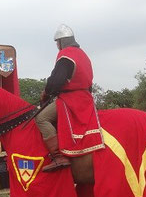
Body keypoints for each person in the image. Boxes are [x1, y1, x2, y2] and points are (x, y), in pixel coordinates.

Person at [35, 24, 104, 172]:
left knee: (41, 118)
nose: (57, 46)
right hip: (86, 99)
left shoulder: (66, 54)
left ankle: (58, 157)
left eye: (57, 43)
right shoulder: (84, 55)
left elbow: (57, 80)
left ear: (61, 42)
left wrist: (46, 92)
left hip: (71, 99)